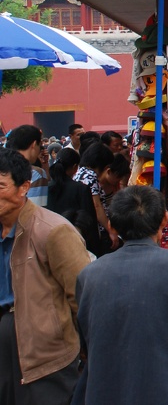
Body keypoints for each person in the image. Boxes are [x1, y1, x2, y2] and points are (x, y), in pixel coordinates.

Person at [74, 186, 168, 405]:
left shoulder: (89, 275)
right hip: (166, 390)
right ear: (164, 220)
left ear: (112, 225)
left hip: (105, 391)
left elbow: (86, 338)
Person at [0, 148, 91, 404]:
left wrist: (86, 348)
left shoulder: (52, 231)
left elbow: (81, 295)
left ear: (24, 188)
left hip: (44, 350)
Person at [47, 148, 102, 256]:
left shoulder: (47, 188)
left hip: (52, 243)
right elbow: (89, 221)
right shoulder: (81, 189)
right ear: (75, 167)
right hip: (77, 244)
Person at [73, 144, 122, 255]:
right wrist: (111, 231)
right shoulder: (90, 177)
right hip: (95, 231)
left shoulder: (80, 173)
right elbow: (97, 206)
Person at [5, 124, 49, 207]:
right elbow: (35, 211)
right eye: (39, 145)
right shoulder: (36, 173)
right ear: (34, 144)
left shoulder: (4, 168)